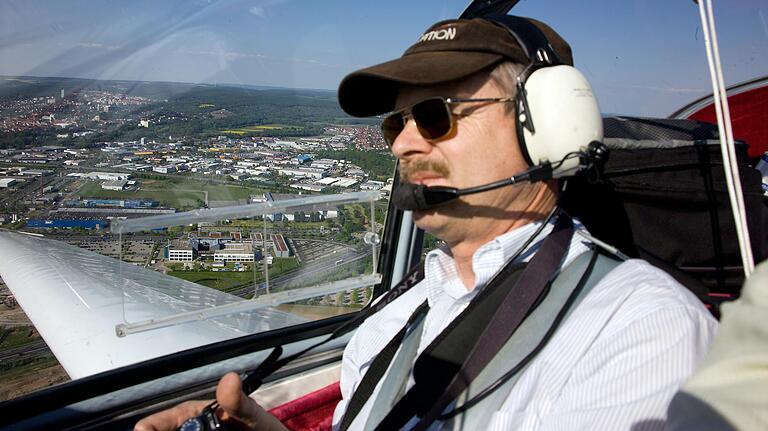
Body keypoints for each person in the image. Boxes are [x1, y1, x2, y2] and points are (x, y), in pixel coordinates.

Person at [136, 17, 717, 431]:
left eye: (436, 115)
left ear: (547, 127)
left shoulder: (638, 330)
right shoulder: (392, 319)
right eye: (398, 125)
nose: (405, 144)